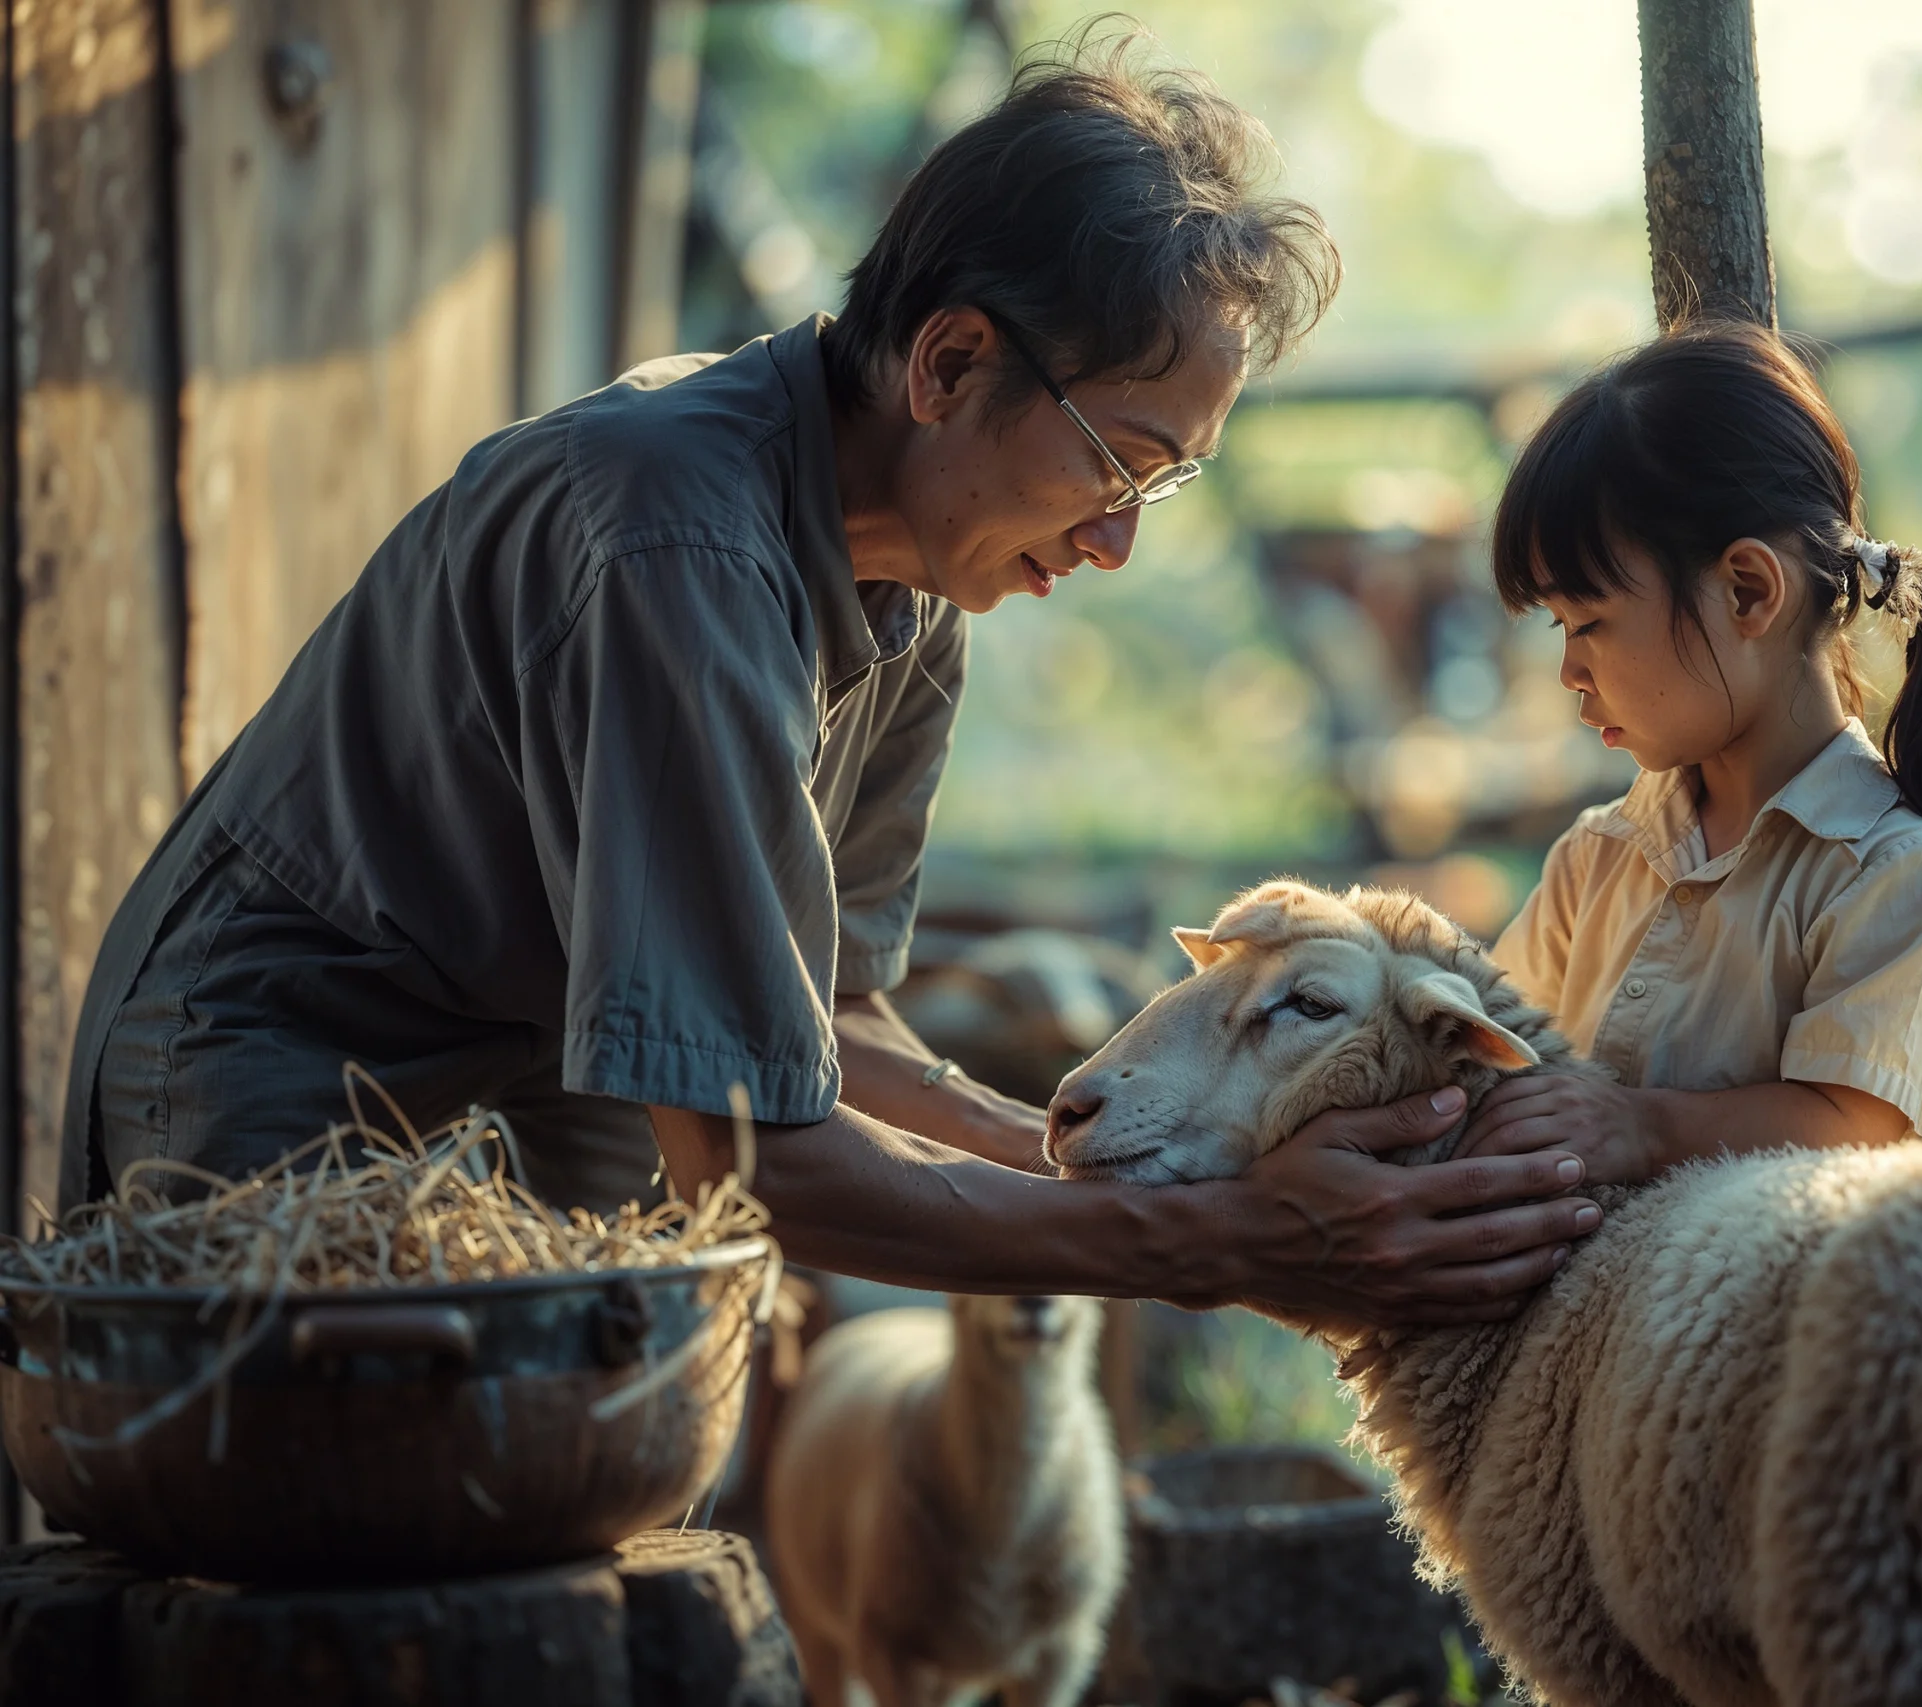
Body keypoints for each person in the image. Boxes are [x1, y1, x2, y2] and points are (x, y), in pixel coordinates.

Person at [60, 36, 1597, 1327]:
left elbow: (822, 1014)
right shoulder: (683, 547)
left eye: (1170, 480)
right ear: (946, 366)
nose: (1121, 536)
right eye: (1120, 459)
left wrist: (1114, 1155)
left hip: (541, 1078)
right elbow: (758, 1156)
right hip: (287, 1072)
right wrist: (1211, 1243)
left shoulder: (922, 588)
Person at [1457, 322, 1922, 1182]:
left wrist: (1639, 1126)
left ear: (1748, 590)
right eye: (1558, 628)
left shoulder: (1891, 867)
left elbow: (1856, 1129)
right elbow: (1489, 1049)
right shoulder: (1598, 858)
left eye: (1590, 623)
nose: (1571, 669)